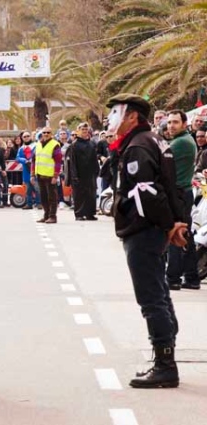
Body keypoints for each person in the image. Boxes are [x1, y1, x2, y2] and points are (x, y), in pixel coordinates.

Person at [107, 93, 187, 388]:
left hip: (143, 231)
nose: (112, 118)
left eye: (117, 112)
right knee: (160, 294)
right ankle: (163, 358)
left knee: (151, 298)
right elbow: (170, 186)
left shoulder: (139, 146)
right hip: (153, 229)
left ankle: (165, 364)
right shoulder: (153, 141)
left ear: (132, 117)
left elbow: (148, 192)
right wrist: (176, 223)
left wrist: (169, 225)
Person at [165, 110, 200, 290]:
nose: (171, 126)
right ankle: (191, 277)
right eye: (169, 122)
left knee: (175, 234)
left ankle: (173, 278)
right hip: (182, 193)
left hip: (179, 194)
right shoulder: (183, 140)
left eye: (175, 122)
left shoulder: (180, 143)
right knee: (185, 235)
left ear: (184, 124)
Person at [65, 122, 99, 221]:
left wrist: (96, 170)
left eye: (86, 130)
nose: (84, 131)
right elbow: (72, 162)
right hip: (79, 174)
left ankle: (90, 213)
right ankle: (79, 214)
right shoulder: (74, 145)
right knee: (79, 195)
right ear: (78, 131)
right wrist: (74, 175)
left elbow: (94, 159)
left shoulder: (91, 143)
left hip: (90, 174)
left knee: (91, 194)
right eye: (82, 130)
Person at [31, 127, 62, 223]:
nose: (46, 134)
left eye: (48, 132)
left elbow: (58, 162)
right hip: (40, 175)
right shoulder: (38, 145)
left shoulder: (55, 145)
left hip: (50, 176)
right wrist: (32, 174)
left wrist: (55, 176)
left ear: (51, 134)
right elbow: (33, 160)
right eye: (44, 132)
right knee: (43, 197)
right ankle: (46, 215)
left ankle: (53, 216)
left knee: (52, 197)